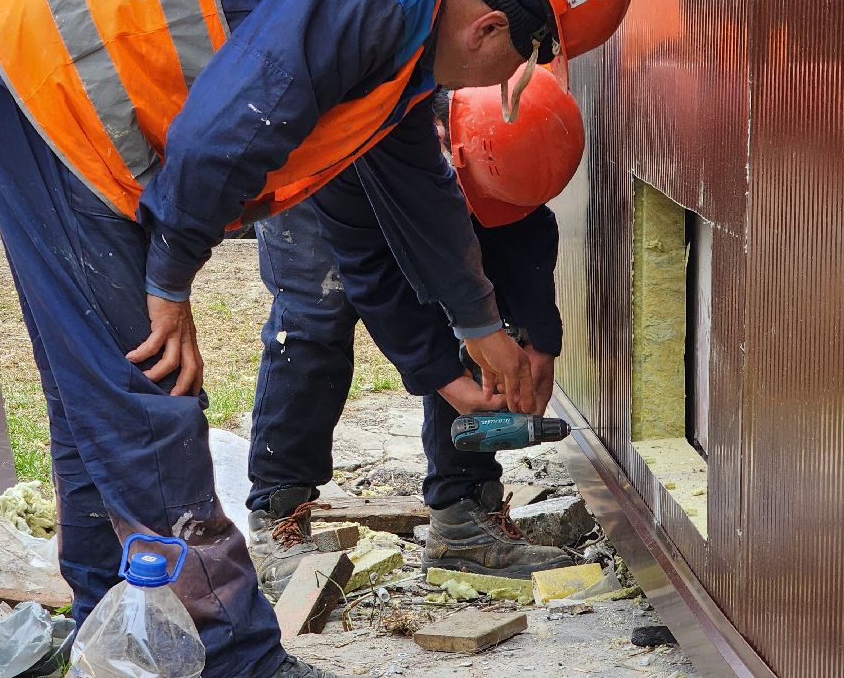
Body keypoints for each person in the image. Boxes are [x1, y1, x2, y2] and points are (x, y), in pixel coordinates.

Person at [0, 0, 631, 678]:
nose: (513, 78)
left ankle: (114, 622)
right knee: (144, 391)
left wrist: (480, 328)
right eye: (525, 59)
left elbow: (422, 191)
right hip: (47, 85)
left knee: (99, 388)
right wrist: (171, 278)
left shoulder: (404, 21)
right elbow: (226, 132)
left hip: (52, 84)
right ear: (490, 29)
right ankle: (240, 661)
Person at [245, 61, 598, 596]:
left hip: (428, 170)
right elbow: (373, 276)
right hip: (323, 176)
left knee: (480, 321)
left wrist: (535, 336)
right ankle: (278, 515)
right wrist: (439, 374)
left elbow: (523, 223)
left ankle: (463, 517)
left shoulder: (499, 121)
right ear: (441, 142)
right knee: (316, 318)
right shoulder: (370, 118)